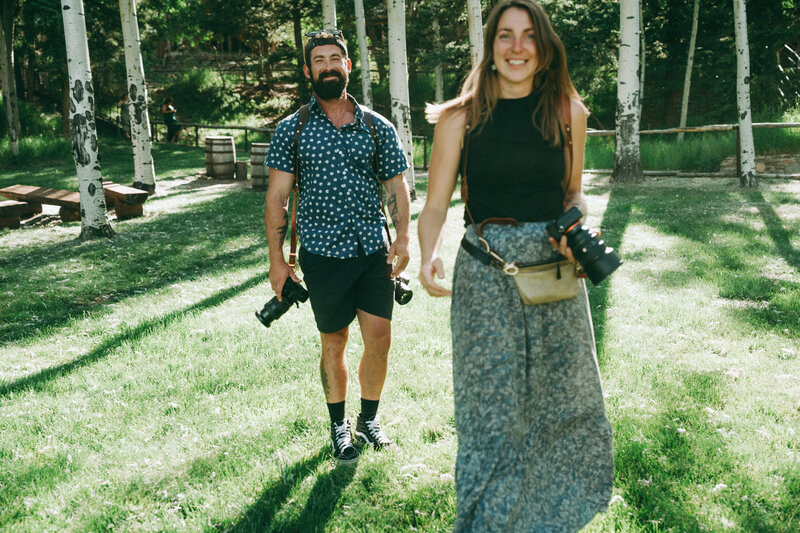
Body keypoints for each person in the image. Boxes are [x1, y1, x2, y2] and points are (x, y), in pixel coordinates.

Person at [417, 1, 614, 530]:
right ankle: (487, 520)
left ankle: (550, 518)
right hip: (486, 276)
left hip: (554, 275)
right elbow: (436, 204)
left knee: (562, 404)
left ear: (544, 46)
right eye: (506, 36)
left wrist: (576, 226)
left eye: (528, 36)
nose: (518, 48)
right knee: (490, 413)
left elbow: (573, 191)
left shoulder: (568, 111)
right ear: (491, 46)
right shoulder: (460, 117)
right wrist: (429, 251)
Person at [264, 30, 411, 464]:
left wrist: (402, 237)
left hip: (372, 252)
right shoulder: (293, 129)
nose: (328, 66)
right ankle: (338, 426)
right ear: (309, 71)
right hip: (322, 254)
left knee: (379, 339)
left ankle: (369, 420)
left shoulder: (375, 125)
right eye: (320, 61)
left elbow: (396, 185)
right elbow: (277, 198)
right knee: (335, 341)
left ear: (348, 66)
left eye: (336, 58)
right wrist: (277, 262)